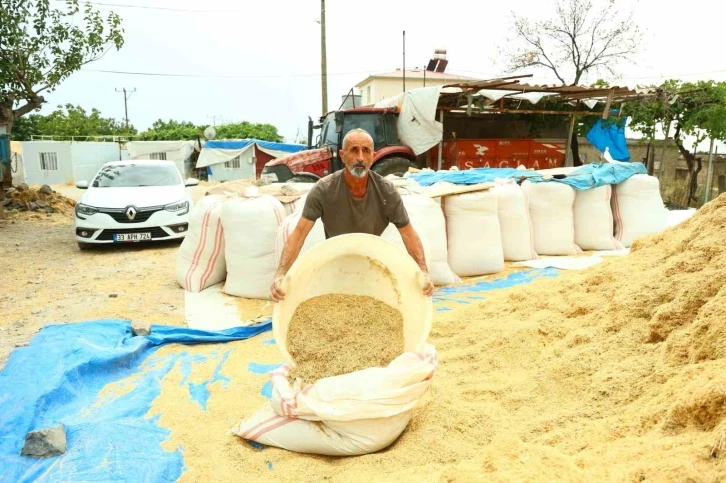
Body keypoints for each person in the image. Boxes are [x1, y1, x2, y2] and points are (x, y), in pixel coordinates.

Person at [270, 128, 434, 301]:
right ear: (342, 155)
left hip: (372, 264)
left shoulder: (386, 192)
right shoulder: (324, 190)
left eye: (366, 151)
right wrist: (280, 274)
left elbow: (408, 235)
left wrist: (423, 271)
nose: (360, 158)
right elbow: (298, 235)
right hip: (336, 264)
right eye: (354, 150)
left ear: (373, 156)